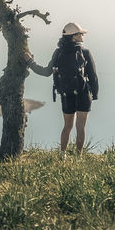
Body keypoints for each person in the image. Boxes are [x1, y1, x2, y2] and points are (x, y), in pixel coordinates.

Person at [28, 22, 99, 154]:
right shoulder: (85, 52)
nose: (83, 35)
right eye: (80, 33)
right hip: (83, 93)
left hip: (66, 94)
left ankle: (63, 155)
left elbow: (46, 72)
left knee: (67, 126)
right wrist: (94, 95)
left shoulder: (58, 52)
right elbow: (93, 76)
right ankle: (78, 157)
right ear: (73, 36)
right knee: (80, 127)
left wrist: (29, 62)